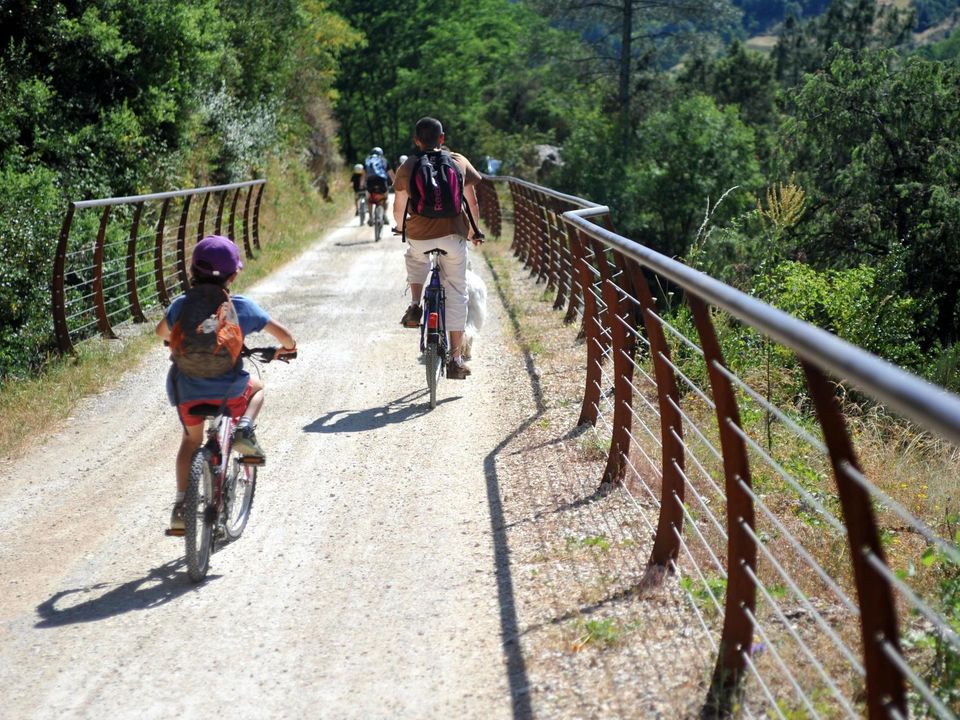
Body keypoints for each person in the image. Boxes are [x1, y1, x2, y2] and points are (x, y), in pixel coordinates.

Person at [155, 235, 297, 531]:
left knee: (190, 441)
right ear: (233, 275)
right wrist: (288, 347)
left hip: (187, 392)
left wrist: (179, 337)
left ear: (192, 270)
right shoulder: (241, 306)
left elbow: (160, 333)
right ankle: (244, 427)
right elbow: (284, 336)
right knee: (257, 387)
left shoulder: (182, 304)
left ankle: (181, 507)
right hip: (229, 392)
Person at [392, 116, 483, 380]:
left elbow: (399, 208)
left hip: (419, 236)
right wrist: (475, 231)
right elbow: (472, 204)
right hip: (453, 237)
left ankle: (415, 304)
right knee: (456, 291)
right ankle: (455, 359)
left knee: (415, 259)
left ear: (417, 141)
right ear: (442, 139)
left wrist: (402, 228)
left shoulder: (409, 165)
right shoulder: (458, 161)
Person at [364, 147, 394, 226]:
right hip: (381, 181)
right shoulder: (384, 161)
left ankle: (370, 218)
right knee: (385, 198)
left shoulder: (368, 160)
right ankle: (384, 215)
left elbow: (364, 174)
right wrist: (395, 183)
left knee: (369, 199)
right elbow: (390, 174)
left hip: (370, 181)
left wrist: (362, 184)